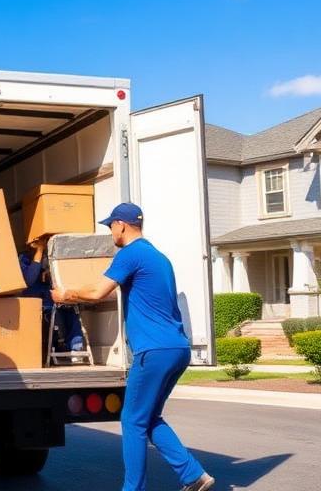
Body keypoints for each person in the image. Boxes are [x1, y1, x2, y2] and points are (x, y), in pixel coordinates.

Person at [51, 202, 215, 491]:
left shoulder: (130, 254)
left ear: (122, 225)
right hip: (176, 348)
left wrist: (66, 294)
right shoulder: (157, 256)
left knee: (132, 420)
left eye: (110, 225)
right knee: (149, 417)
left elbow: (98, 291)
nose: (110, 231)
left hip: (154, 351)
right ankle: (194, 475)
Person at [19, 238, 84, 353]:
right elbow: (29, 279)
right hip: (38, 304)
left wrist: (51, 275)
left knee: (72, 308)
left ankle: (76, 347)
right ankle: (61, 345)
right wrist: (39, 251)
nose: (44, 243)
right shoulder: (24, 258)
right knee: (55, 314)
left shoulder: (55, 255)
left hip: (58, 300)